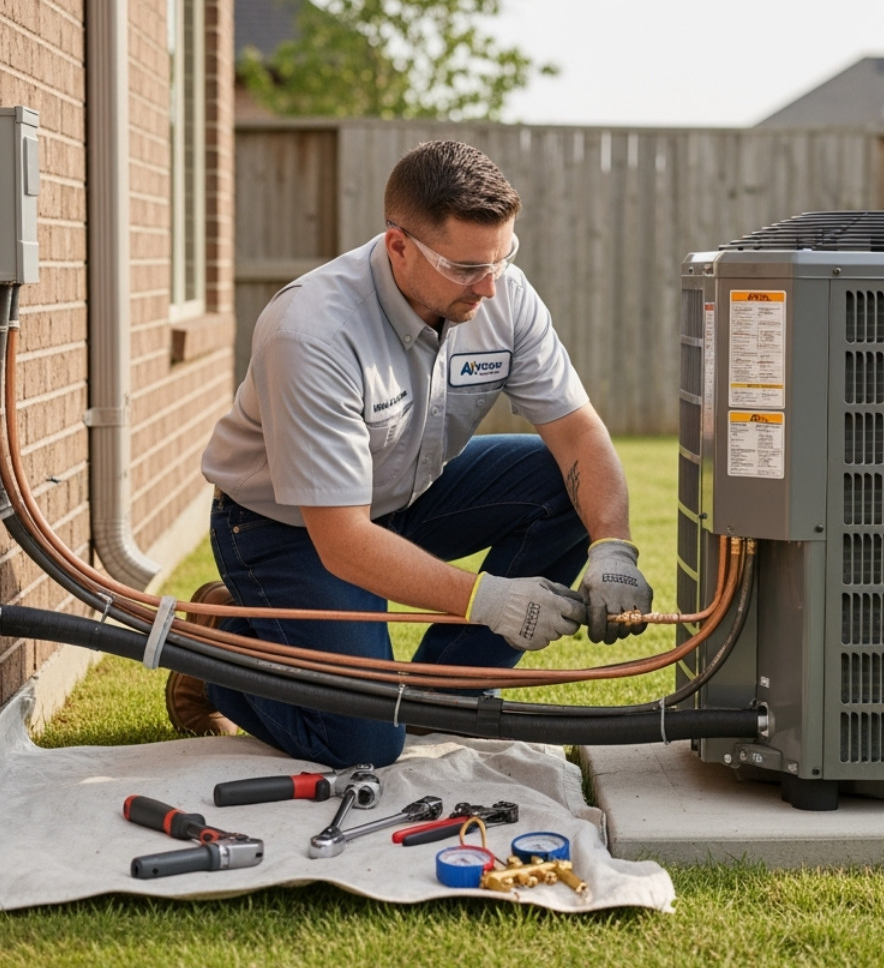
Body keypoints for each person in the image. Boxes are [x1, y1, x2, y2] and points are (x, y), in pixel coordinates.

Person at [171, 140, 653, 767]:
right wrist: (492, 600)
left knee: (560, 483)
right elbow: (343, 540)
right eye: (464, 268)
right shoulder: (312, 331)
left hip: (407, 495)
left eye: (502, 258)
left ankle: (434, 697)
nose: (489, 285)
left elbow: (578, 433)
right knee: (363, 744)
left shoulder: (502, 293)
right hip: (286, 528)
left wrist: (612, 546)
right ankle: (217, 643)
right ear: (398, 245)